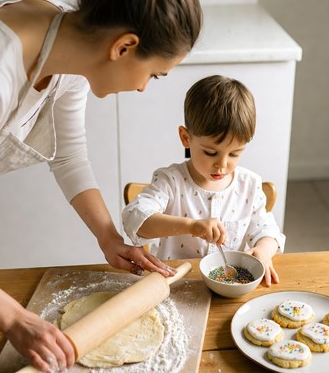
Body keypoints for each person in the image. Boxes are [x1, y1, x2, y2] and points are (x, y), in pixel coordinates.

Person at [0, 0, 202, 371]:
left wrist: (108, 237)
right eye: (153, 74)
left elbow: (68, 156)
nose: (143, 89)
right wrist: (15, 318)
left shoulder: (72, 44)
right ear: (124, 47)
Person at [122, 75, 286, 289]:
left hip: (230, 290)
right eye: (211, 153)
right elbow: (135, 220)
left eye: (235, 154)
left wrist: (263, 250)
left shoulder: (249, 185)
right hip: (177, 287)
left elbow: (268, 230)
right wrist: (191, 226)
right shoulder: (170, 181)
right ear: (186, 138)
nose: (222, 165)